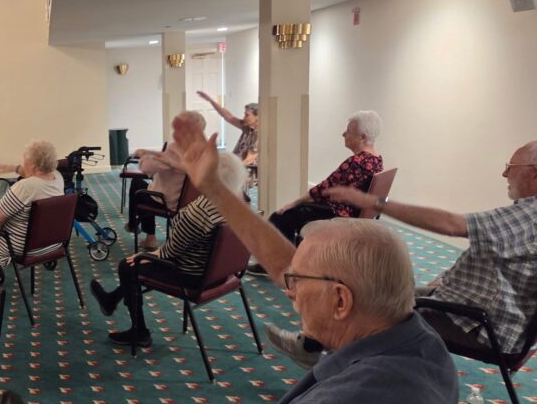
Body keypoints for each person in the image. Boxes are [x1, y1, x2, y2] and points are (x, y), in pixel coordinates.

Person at [0, 116, 461, 404]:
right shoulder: (416, 340)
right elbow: (284, 263)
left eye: (299, 285)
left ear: (341, 301)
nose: (289, 290)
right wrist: (217, 189)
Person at [268, 139, 537, 367]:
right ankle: (317, 347)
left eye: (510, 168)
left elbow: (451, 225)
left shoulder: (527, 215)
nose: (504, 175)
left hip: (477, 324)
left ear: (534, 173)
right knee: (376, 286)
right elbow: (497, 257)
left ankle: (326, 360)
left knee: (363, 306)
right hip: (485, 313)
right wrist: (445, 281)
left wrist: (374, 203)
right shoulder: (524, 219)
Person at [90, 151, 247, 348]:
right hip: (225, 273)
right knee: (137, 264)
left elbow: (170, 252)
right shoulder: (242, 205)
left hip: (193, 276)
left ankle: (139, 332)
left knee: (128, 266)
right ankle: (112, 299)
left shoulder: (197, 213)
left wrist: (146, 255)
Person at [247, 109, 383, 273]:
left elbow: (324, 188)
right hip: (352, 211)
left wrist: (295, 202)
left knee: (280, 216)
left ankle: (278, 265)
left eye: (348, 131)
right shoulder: (376, 160)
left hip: (341, 213)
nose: (343, 134)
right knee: (296, 212)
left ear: (362, 137)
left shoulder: (356, 162)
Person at [0, 140, 64, 272]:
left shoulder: (25, 187)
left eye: (25, 161)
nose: (23, 164)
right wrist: (14, 168)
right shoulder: (58, 178)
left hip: (25, 247)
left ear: (33, 165)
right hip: (52, 243)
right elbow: (36, 175)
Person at [126, 112, 203, 251]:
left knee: (138, 187)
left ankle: (146, 234)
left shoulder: (176, 148)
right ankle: (134, 224)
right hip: (192, 203)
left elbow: (146, 168)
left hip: (169, 201)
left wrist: (143, 154)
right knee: (147, 186)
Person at [196, 91, 259, 165]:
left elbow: (249, 159)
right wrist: (211, 100)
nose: (244, 117)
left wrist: (232, 169)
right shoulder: (247, 128)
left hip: (245, 171)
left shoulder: (258, 134)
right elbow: (228, 116)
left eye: (247, 115)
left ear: (257, 117)